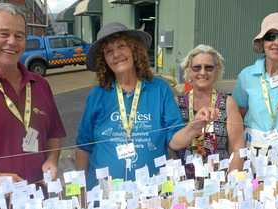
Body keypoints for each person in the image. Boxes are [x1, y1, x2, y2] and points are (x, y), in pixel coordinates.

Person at [75, 22, 217, 190]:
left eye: (121, 46)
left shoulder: (159, 89)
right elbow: (83, 147)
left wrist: (194, 127)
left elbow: (174, 142)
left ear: (134, 50)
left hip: (151, 190)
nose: (116, 55)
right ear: (103, 60)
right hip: (103, 193)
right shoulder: (97, 95)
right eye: (108, 51)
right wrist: (80, 190)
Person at [0, 3, 66, 185]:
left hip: (41, 202)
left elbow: (54, 135)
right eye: (4, 34)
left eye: (19, 36)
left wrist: (52, 159)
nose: (12, 41)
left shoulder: (40, 84)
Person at [176, 44, 244, 177]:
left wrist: (231, 182)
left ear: (217, 71)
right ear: (188, 71)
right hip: (183, 182)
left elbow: (237, 149)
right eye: (197, 68)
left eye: (209, 68)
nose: (202, 72)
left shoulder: (228, 103)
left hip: (219, 181)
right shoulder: (177, 104)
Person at [233, 12, 278, 146]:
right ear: (262, 42)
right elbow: (238, 117)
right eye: (270, 37)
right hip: (253, 151)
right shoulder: (246, 76)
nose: (276, 42)